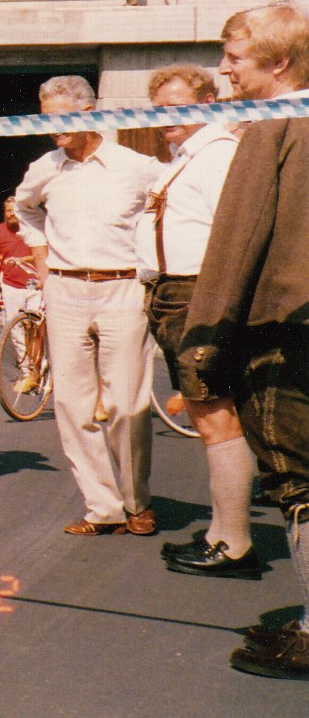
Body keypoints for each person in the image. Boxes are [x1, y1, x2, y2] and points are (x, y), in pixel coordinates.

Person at [178, 3, 309, 679]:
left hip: (285, 329)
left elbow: (238, 236)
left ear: (278, 63)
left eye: (234, 56)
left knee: (299, 479)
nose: (223, 68)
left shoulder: (272, 122)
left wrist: (204, 339)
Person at [14, 75, 163, 536]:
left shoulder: (136, 166)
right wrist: (41, 258)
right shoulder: (45, 168)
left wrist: (153, 261)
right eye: (46, 119)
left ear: (90, 113)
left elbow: (166, 204)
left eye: (62, 118)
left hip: (123, 290)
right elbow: (24, 209)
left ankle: (137, 501)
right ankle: (103, 507)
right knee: (72, 403)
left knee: (126, 402)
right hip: (65, 290)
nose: (53, 129)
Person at [134, 65, 252, 580]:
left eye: (178, 106)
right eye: (159, 109)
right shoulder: (185, 158)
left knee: (215, 414)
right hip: (172, 294)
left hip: (196, 292)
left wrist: (211, 302)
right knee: (209, 414)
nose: (167, 118)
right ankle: (222, 532)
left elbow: (231, 233)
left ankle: (233, 540)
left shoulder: (217, 155)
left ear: (207, 101)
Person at [0, 195, 39, 346]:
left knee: (35, 327)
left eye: (14, 210)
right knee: (15, 330)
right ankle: (27, 368)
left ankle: (39, 362)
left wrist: (22, 260)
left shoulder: (33, 229)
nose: (11, 214)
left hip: (35, 285)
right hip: (11, 286)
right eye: (8, 211)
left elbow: (40, 256)